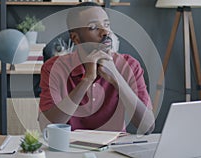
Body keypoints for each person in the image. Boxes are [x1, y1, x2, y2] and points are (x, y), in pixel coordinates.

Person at [38, 2, 155, 134]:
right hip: (70, 148)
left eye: (106, 24)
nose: (105, 32)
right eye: (93, 27)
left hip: (114, 147)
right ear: (75, 38)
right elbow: (47, 126)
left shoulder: (130, 65)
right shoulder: (54, 68)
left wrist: (116, 77)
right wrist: (87, 79)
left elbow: (147, 127)